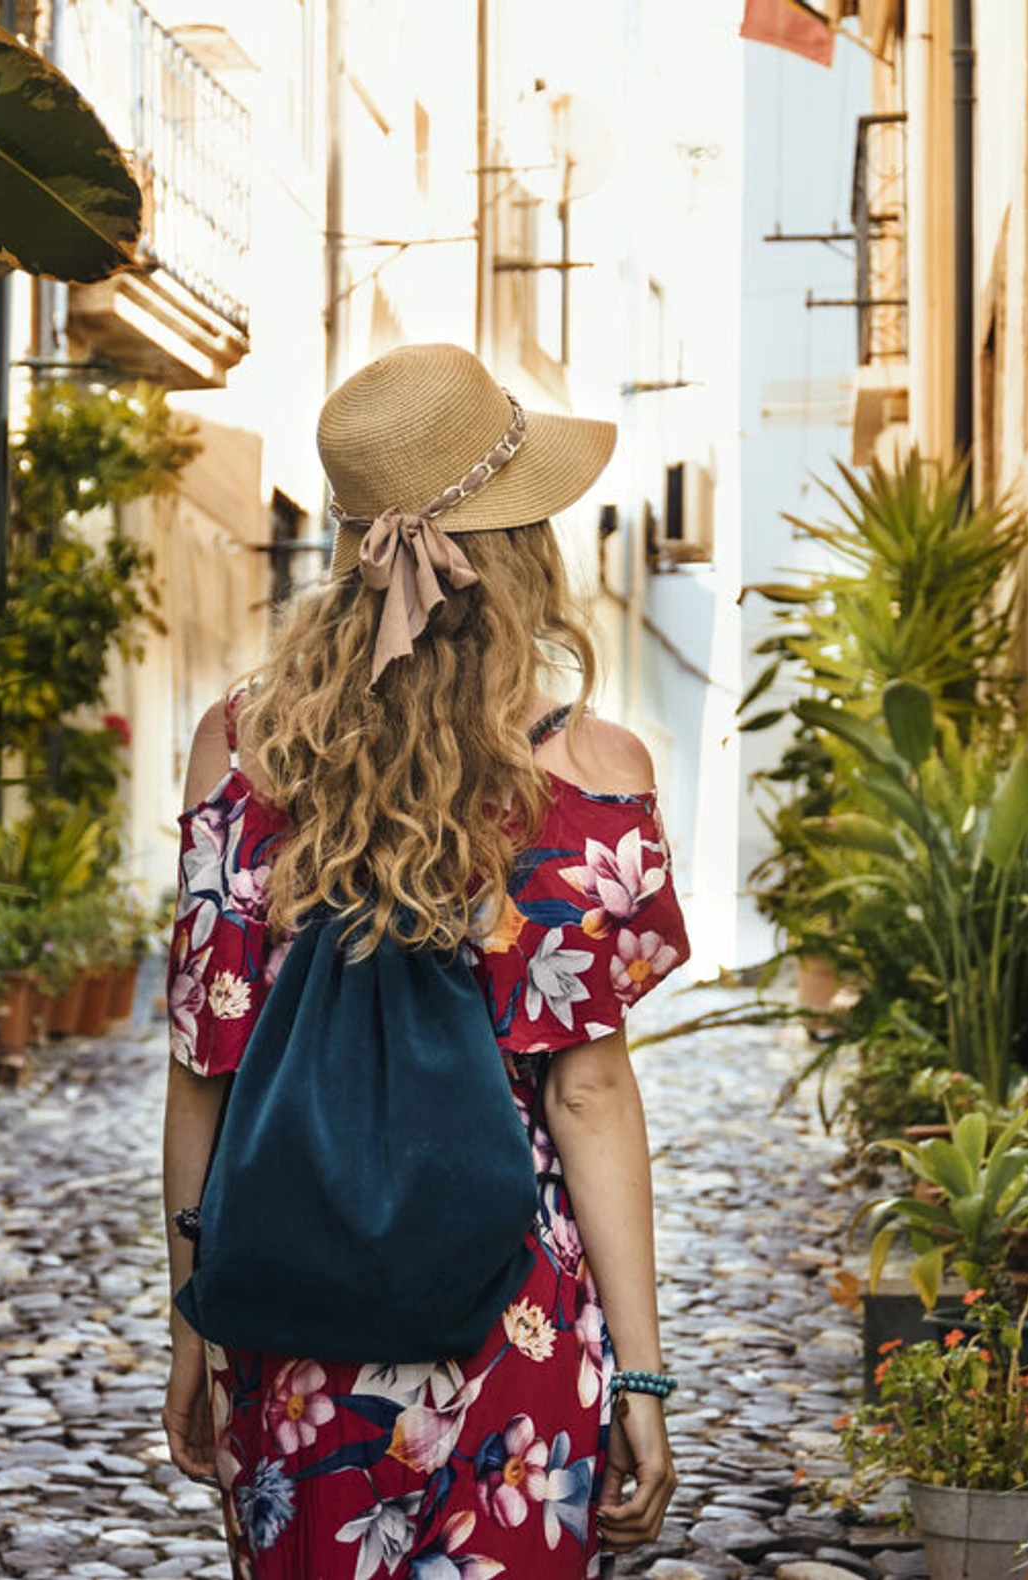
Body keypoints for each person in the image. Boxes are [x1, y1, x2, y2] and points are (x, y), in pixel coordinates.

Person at [159, 343, 690, 1578]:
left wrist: (191, 1319)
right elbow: (589, 1090)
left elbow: (205, 1066)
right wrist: (644, 1372)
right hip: (512, 1322)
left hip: (286, 1327)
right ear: (521, 547)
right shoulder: (596, 774)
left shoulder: (236, 748)